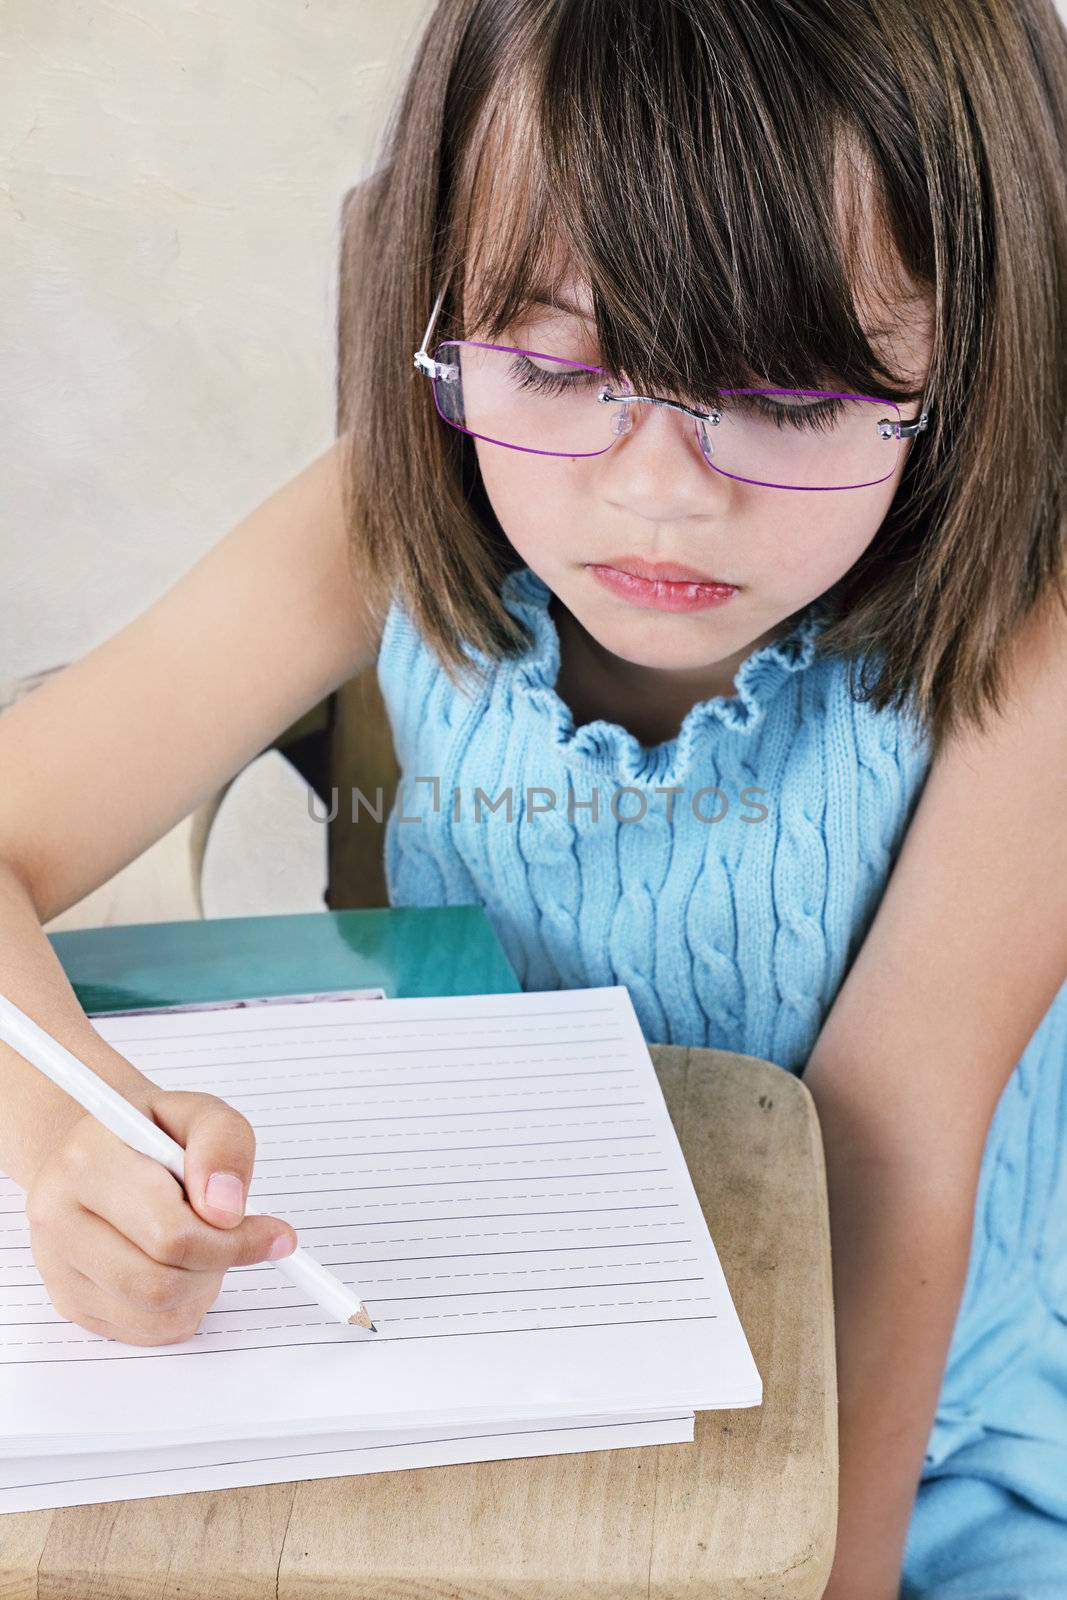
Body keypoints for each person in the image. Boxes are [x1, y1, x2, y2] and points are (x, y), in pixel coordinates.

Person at [0, 0, 1064, 1593]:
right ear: (436, 309)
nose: (658, 492)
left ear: (968, 372)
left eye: (786, 405)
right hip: (482, 1343)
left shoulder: (1031, 639)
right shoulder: (379, 509)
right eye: (560, 368)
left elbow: (893, 1158)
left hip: (932, 1421)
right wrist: (67, 1137)